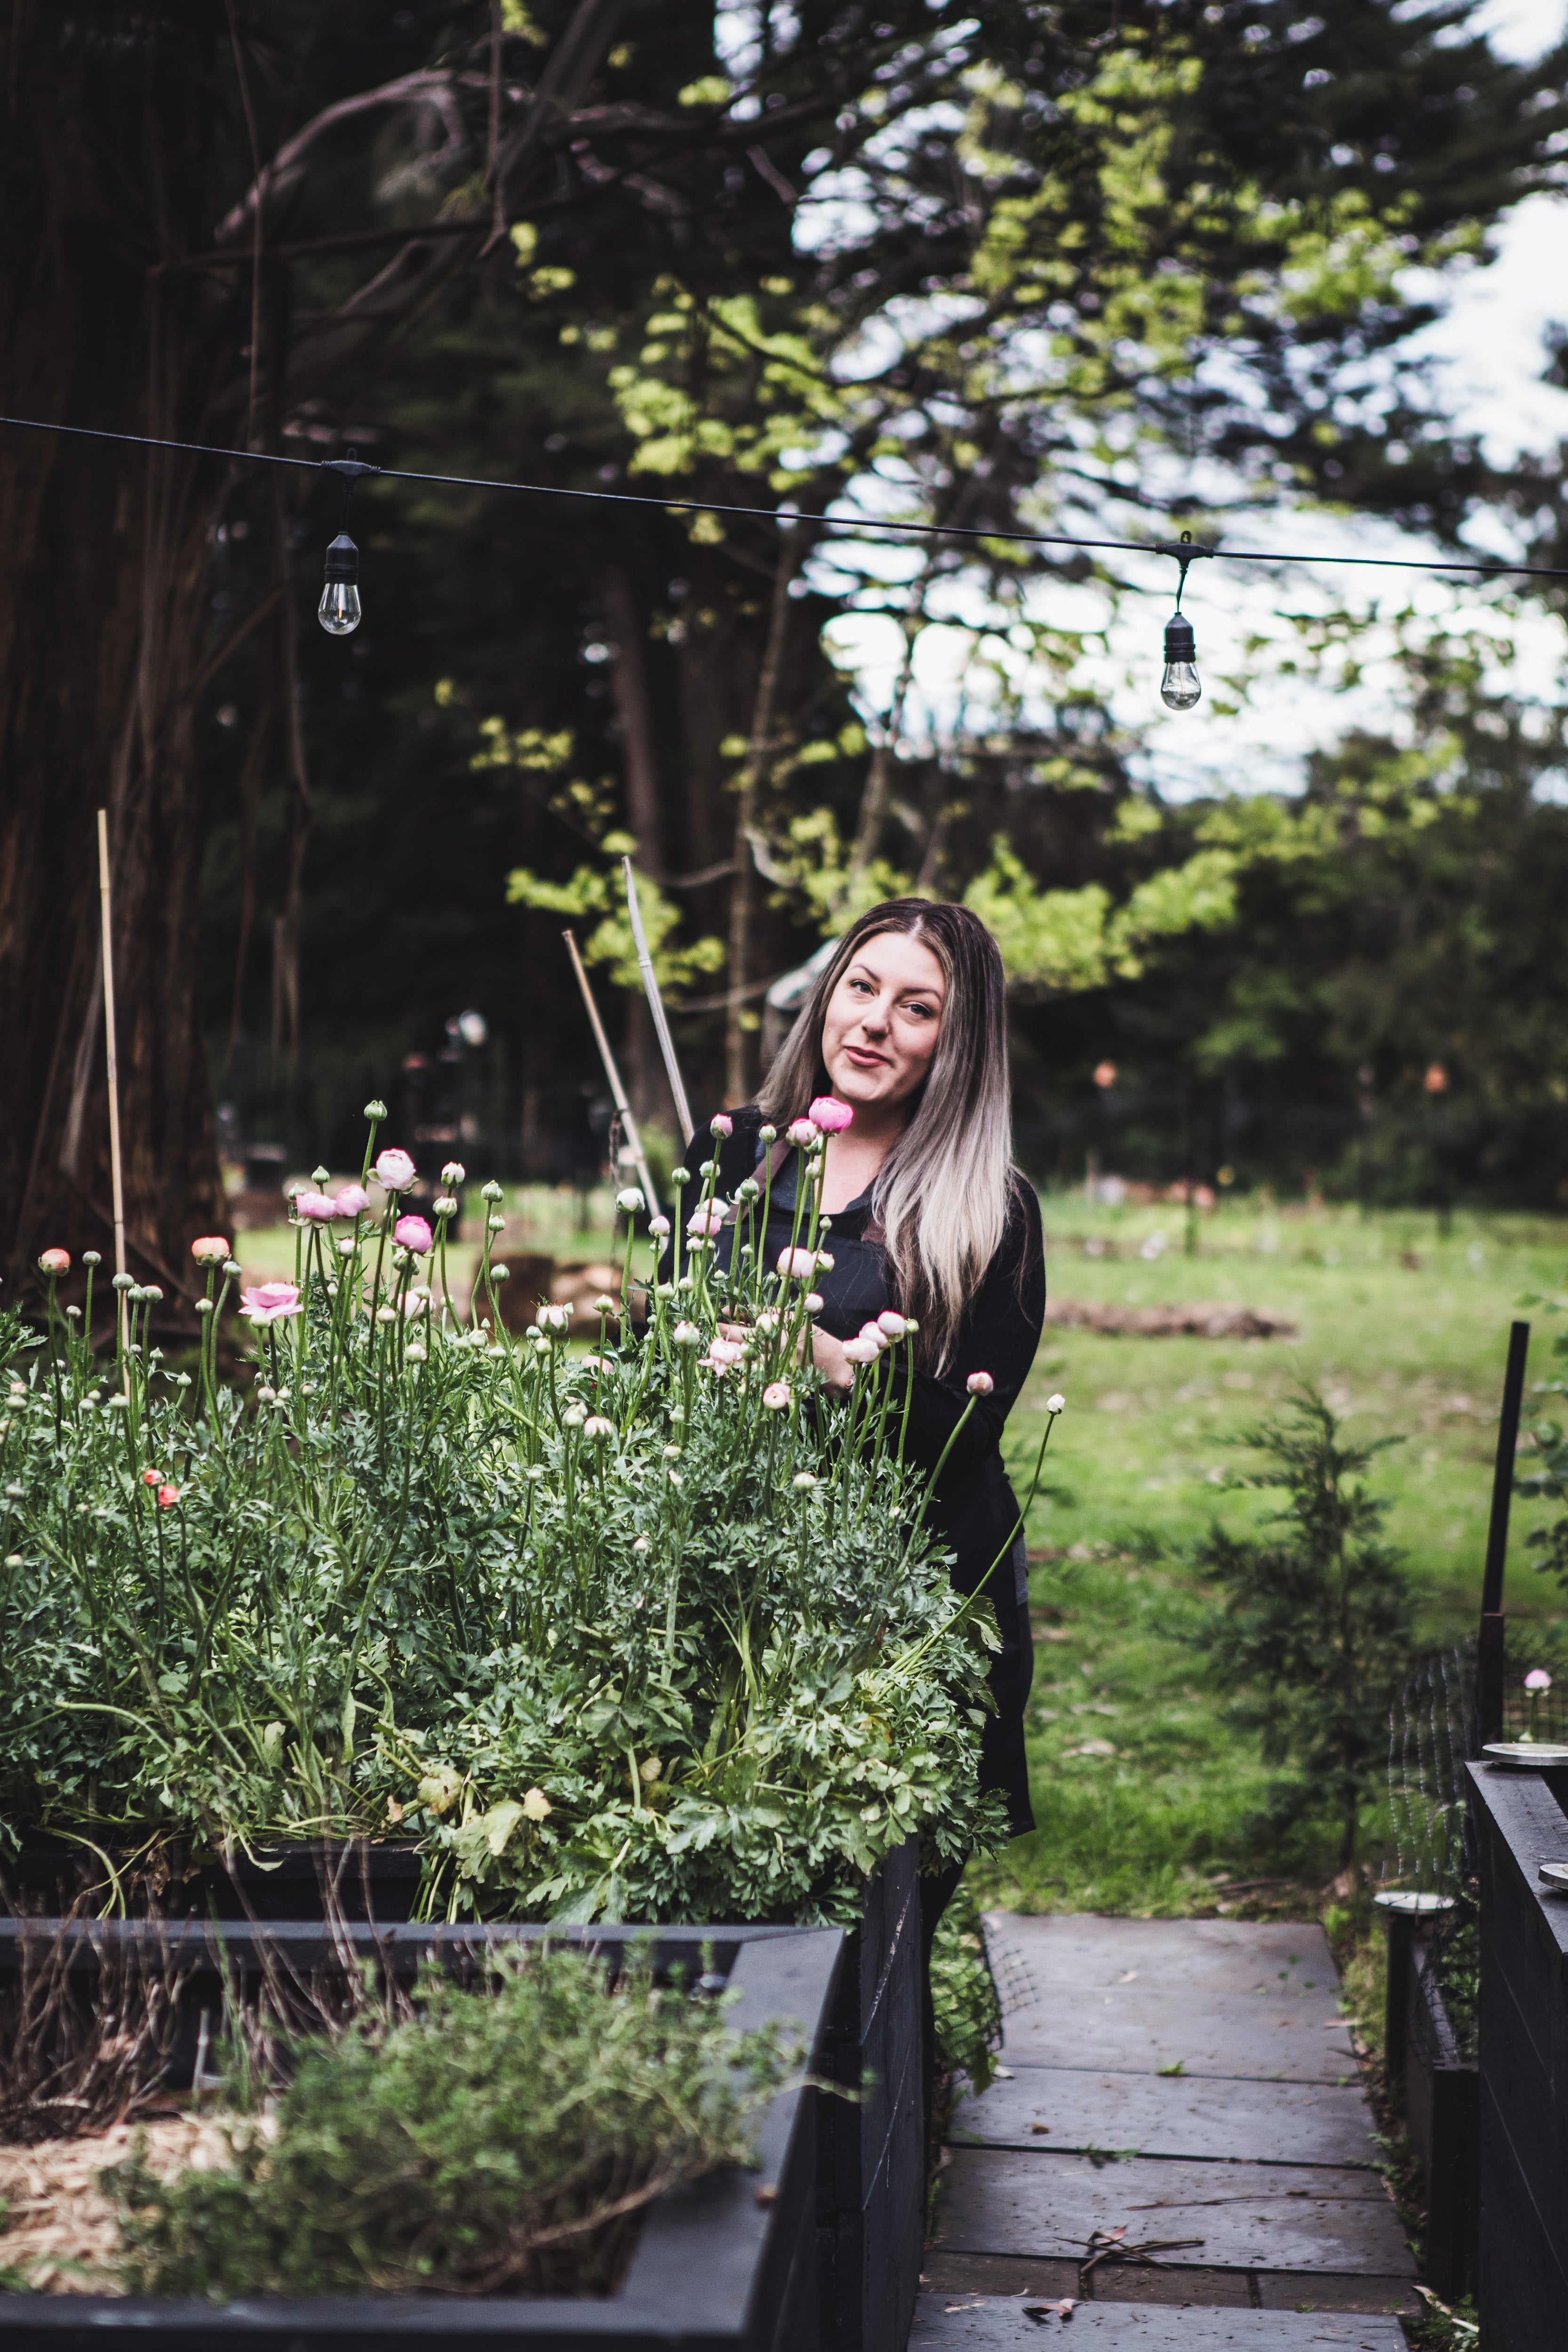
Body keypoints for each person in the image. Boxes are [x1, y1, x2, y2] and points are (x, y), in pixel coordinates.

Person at [703, 897, 1045, 2124]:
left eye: (918, 1007)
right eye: (862, 987)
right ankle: (761, 2150)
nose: (876, 1023)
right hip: (740, 1582)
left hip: (910, 1603)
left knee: (871, 1919)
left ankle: (866, 2148)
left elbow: (969, 1438)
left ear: (957, 1042)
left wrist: (846, 1370)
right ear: (825, 993)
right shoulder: (743, 1156)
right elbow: (660, 1339)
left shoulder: (984, 1204)